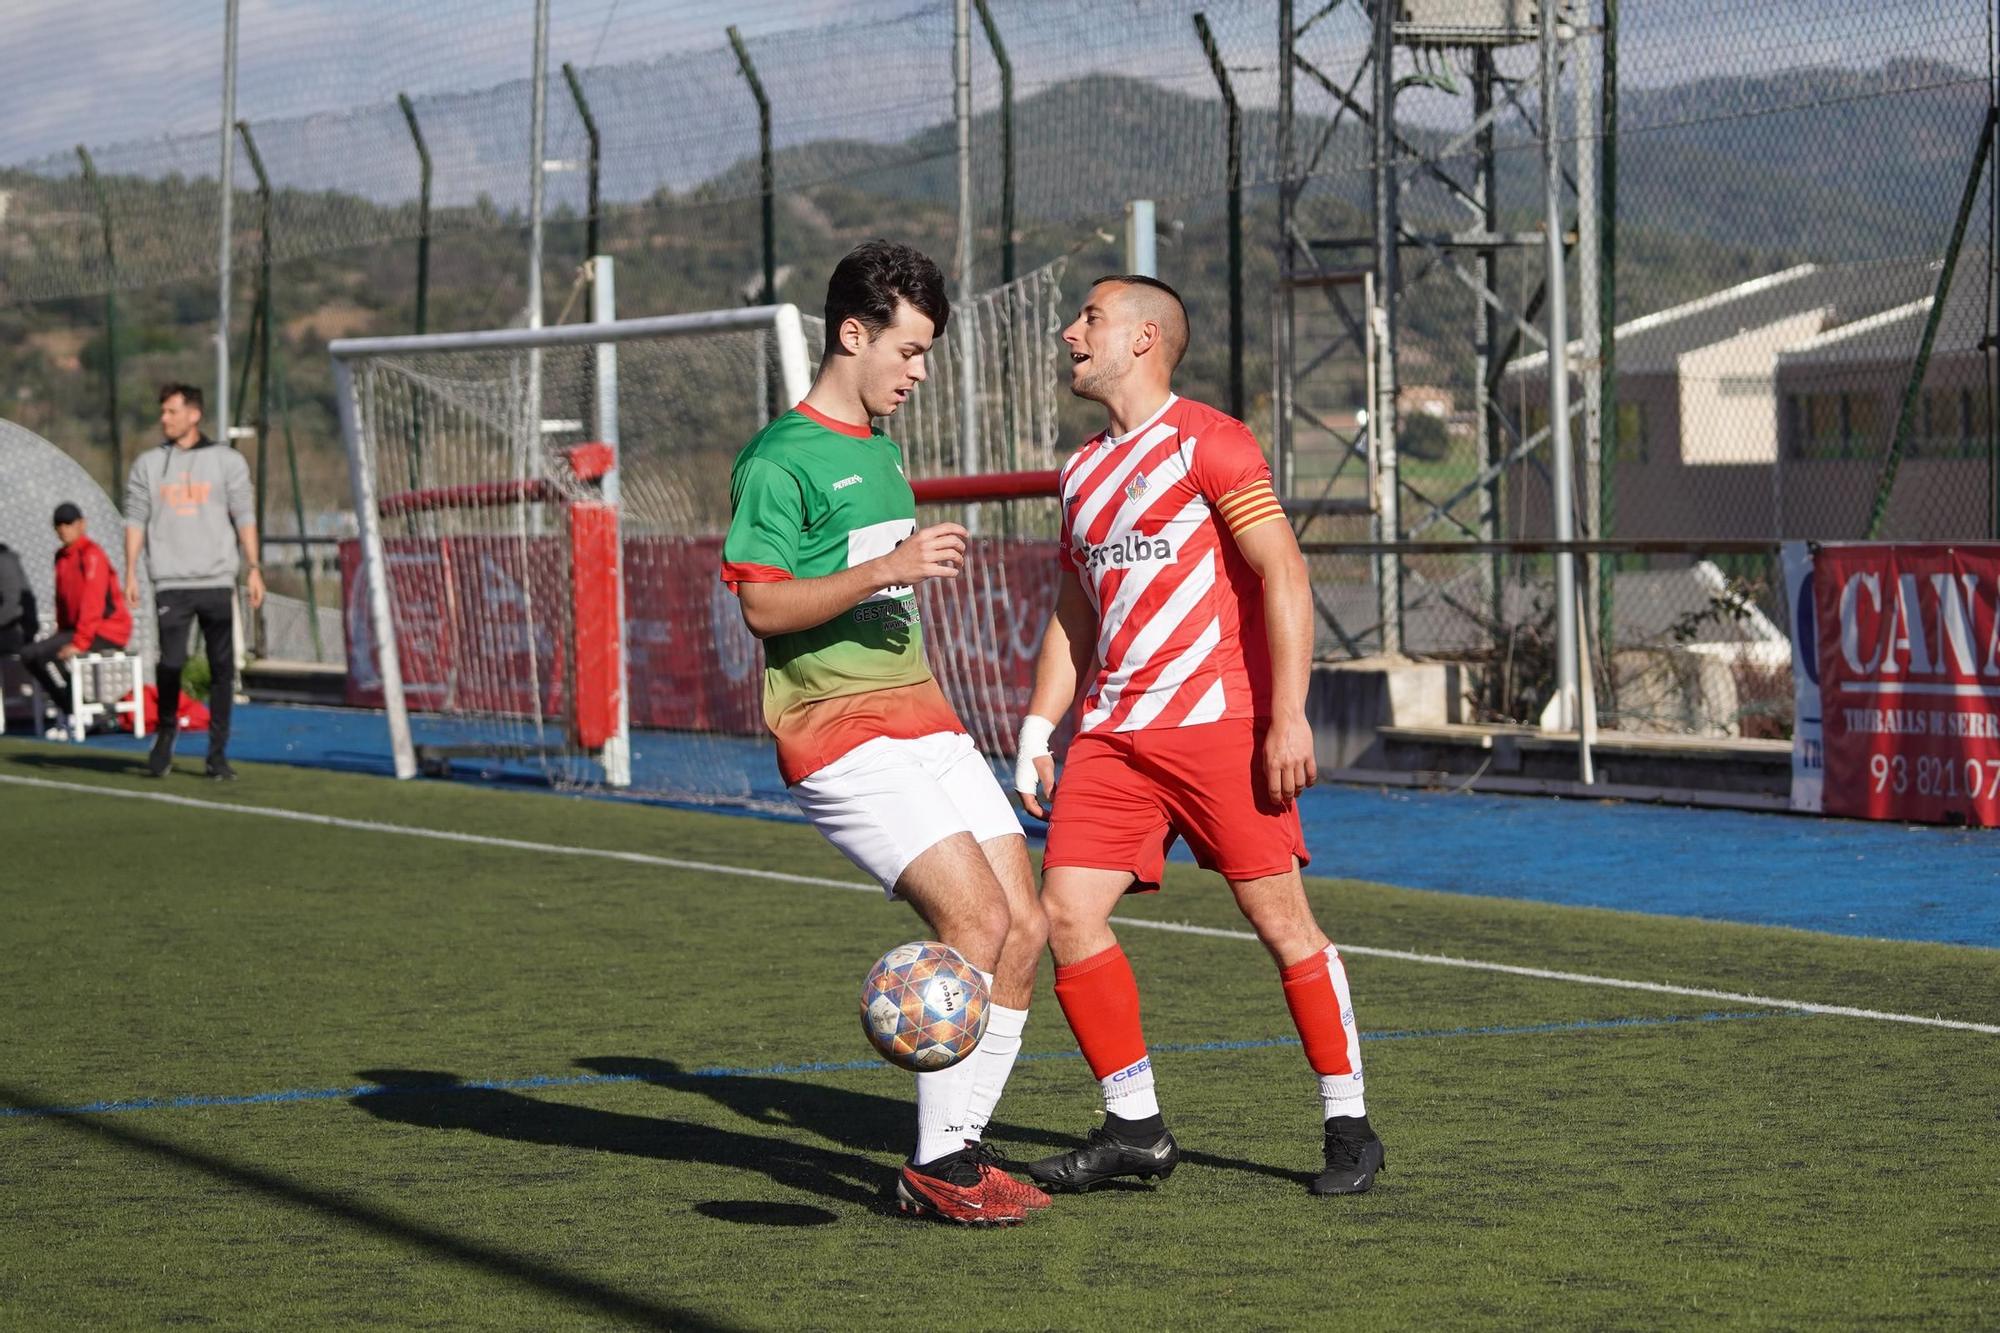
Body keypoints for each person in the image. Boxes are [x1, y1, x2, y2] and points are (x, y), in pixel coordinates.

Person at [1013, 274, 1386, 1197]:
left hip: (1218, 725)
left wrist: (1287, 712)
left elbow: (1285, 574)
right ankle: (1134, 1125)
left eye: (1089, 318)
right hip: (1111, 737)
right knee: (1064, 914)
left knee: (1282, 926)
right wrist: (1037, 725)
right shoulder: (1079, 471)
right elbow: (1074, 612)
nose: (1070, 332)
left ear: (1143, 339)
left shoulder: (1210, 441)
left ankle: (1349, 1125)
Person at [720, 240, 1051, 1226]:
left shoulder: (876, 444)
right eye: (907, 352)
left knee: (1025, 930)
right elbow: (763, 611)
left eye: (925, 357)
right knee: (974, 926)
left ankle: (956, 1154)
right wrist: (885, 565)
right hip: (839, 737)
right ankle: (938, 1167)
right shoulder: (778, 460)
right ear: (851, 334)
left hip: (924, 721)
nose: (915, 374)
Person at [124, 382, 264, 780]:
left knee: (222, 668)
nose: (164, 419)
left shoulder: (227, 462)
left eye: (171, 411)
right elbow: (135, 518)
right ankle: (166, 732)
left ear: (194, 414)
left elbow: (244, 516)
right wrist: (131, 570)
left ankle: (216, 756)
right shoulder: (149, 465)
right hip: (170, 581)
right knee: (170, 663)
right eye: (163, 412)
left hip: (217, 580)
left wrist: (254, 567)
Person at [17, 503, 133, 734]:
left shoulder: (92, 555)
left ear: (82, 524)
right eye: (58, 524)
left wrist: (79, 642)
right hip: (79, 630)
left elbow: (93, 604)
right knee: (31, 654)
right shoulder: (61, 557)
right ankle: (81, 711)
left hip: (107, 630)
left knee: (42, 654)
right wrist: (62, 634)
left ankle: (80, 714)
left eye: (68, 523)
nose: (63, 529)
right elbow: (62, 600)